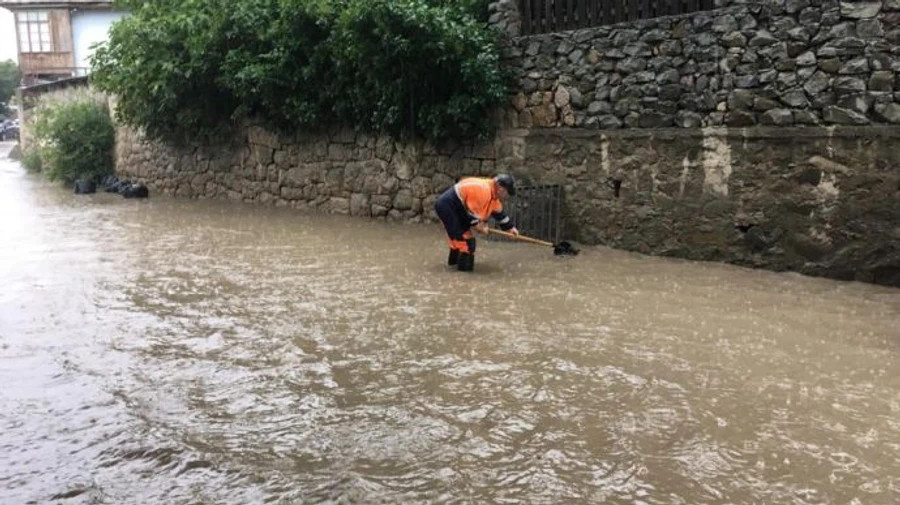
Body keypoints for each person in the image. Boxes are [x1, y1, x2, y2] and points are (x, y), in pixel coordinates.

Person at [434, 173, 519, 272]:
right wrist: (481, 227)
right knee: (465, 244)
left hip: (459, 209)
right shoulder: (483, 191)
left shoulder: (493, 195)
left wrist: (510, 228)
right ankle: (463, 279)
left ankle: (453, 270)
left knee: (461, 241)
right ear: (501, 189)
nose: (507, 197)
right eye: (507, 193)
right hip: (449, 207)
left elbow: (500, 215)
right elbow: (472, 217)